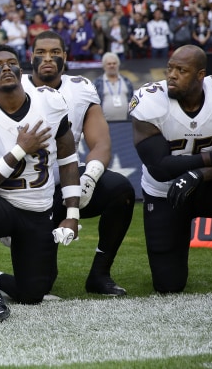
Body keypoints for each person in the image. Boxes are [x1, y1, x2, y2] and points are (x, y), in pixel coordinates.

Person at [0, 43, 80, 322]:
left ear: (20, 69)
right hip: (4, 207)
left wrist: (72, 214)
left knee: (33, 293)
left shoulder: (49, 101)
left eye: (10, 62)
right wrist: (19, 150)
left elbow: (68, 158)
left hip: (39, 212)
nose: (5, 68)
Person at [130, 45, 212, 302]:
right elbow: (160, 167)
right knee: (168, 284)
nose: (171, 75)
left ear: (200, 75)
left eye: (181, 70)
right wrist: (211, 157)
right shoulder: (150, 100)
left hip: (209, 185)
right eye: (170, 68)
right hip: (166, 193)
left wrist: (198, 174)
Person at [20, 31, 134, 296]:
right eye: (41, 53)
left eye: (55, 53)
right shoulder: (16, 86)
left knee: (121, 190)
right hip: (27, 187)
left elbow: (101, 142)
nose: (48, 58)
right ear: (31, 56)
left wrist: (90, 177)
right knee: (40, 284)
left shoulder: (81, 87)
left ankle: (100, 274)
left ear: (65, 57)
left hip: (67, 180)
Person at [93, 52, 135, 121]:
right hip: (104, 124)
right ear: (104, 66)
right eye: (109, 64)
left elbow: (132, 103)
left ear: (118, 65)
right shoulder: (97, 83)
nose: (112, 66)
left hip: (126, 123)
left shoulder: (127, 81)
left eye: (114, 63)